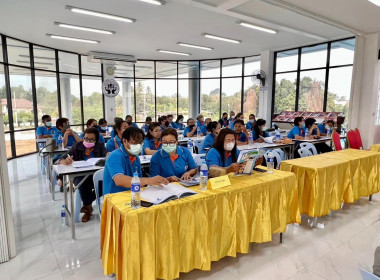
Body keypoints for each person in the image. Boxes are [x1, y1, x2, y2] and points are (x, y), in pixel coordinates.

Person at [59, 128, 107, 222]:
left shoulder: (100, 146)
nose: (87, 141)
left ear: (96, 140)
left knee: (107, 183)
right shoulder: (77, 146)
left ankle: (87, 205)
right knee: (83, 183)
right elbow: (61, 159)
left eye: (91, 140)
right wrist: (65, 161)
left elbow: (106, 155)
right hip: (81, 175)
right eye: (86, 139)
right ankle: (88, 208)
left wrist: (108, 155)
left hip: (96, 175)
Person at [103, 127, 169, 195]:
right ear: (125, 141)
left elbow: (140, 180)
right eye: (135, 142)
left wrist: (160, 181)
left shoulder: (136, 158)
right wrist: (149, 180)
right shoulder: (115, 156)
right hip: (114, 197)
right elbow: (119, 180)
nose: (138, 145)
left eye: (140, 142)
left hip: (132, 193)